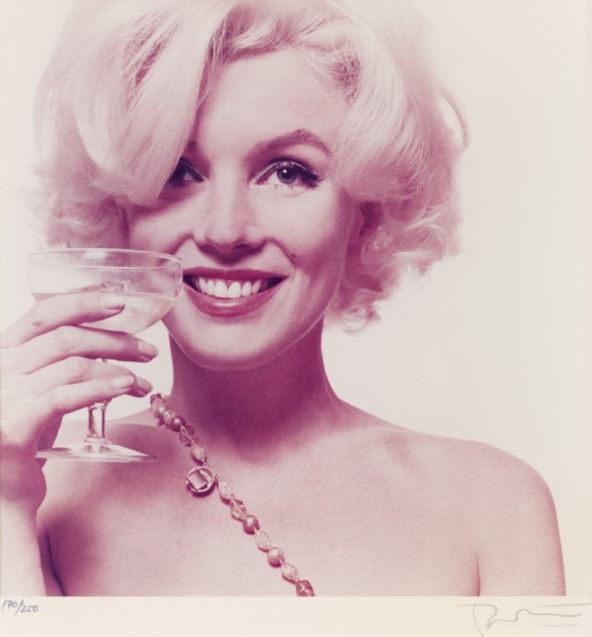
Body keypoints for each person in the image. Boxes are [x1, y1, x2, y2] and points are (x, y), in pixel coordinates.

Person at [0, 0, 564, 596]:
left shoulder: (491, 507)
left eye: (289, 172)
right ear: (120, 208)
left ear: (368, 210)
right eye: (177, 171)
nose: (224, 230)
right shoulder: (43, 498)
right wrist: (6, 503)